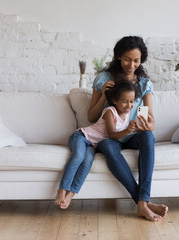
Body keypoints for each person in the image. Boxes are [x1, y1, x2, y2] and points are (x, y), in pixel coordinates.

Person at [88, 36, 168, 222]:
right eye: (126, 59)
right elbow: (90, 117)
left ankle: (143, 202)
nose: (131, 64)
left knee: (148, 136)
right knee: (107, 146)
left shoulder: (144, 83)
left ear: (141, 61)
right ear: (118, 57)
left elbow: (150, 118)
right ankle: (143, 203)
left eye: (136, 60)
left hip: (132, 134)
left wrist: (150, 125)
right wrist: (103, 96)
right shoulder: (103, 79)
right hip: (110, 136)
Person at [55, 79, 139, 209]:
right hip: (82, 137)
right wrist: (128, 130)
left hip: (92, 146)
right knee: (78, 156)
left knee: (87, 162)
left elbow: (120, 135)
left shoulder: (127, 115)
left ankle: (70, 194)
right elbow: (112, 135)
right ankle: (62, 189)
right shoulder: (110, 111)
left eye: (132, 101)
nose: (129, 105)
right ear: (115, 101)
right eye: (125, 101)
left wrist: (135, 128)